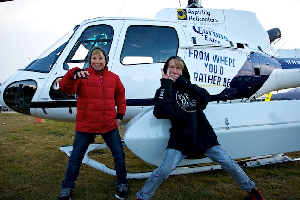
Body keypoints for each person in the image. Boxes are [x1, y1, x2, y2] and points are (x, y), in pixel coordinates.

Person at [134, 56, 264, 200]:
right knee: (164, 171)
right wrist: (166, 85)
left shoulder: (190, 87)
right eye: (171, 67)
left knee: (229, 163)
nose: (175, 71)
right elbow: (162, 113)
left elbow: (205, 98)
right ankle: (142, 196)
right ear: (165, 70)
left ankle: (252, 190)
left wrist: (185, 84)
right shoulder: (163, 91)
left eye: (178, 68)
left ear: (183, 72)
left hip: (204, 137)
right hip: (180, 140)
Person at [59, 46, 128, 200]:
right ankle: (67, 187)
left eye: (100, 58)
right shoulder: (82, 76)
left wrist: (120, 114)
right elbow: (66, 88)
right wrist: (72, 74)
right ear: (90, 60)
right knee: (76, 158)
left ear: (106, 60)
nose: (97, 61)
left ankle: (122, 183)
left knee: (119, 155)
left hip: (109, 125)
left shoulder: (114, 78)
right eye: (94, 58)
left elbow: (121, 96)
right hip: (86, 125)